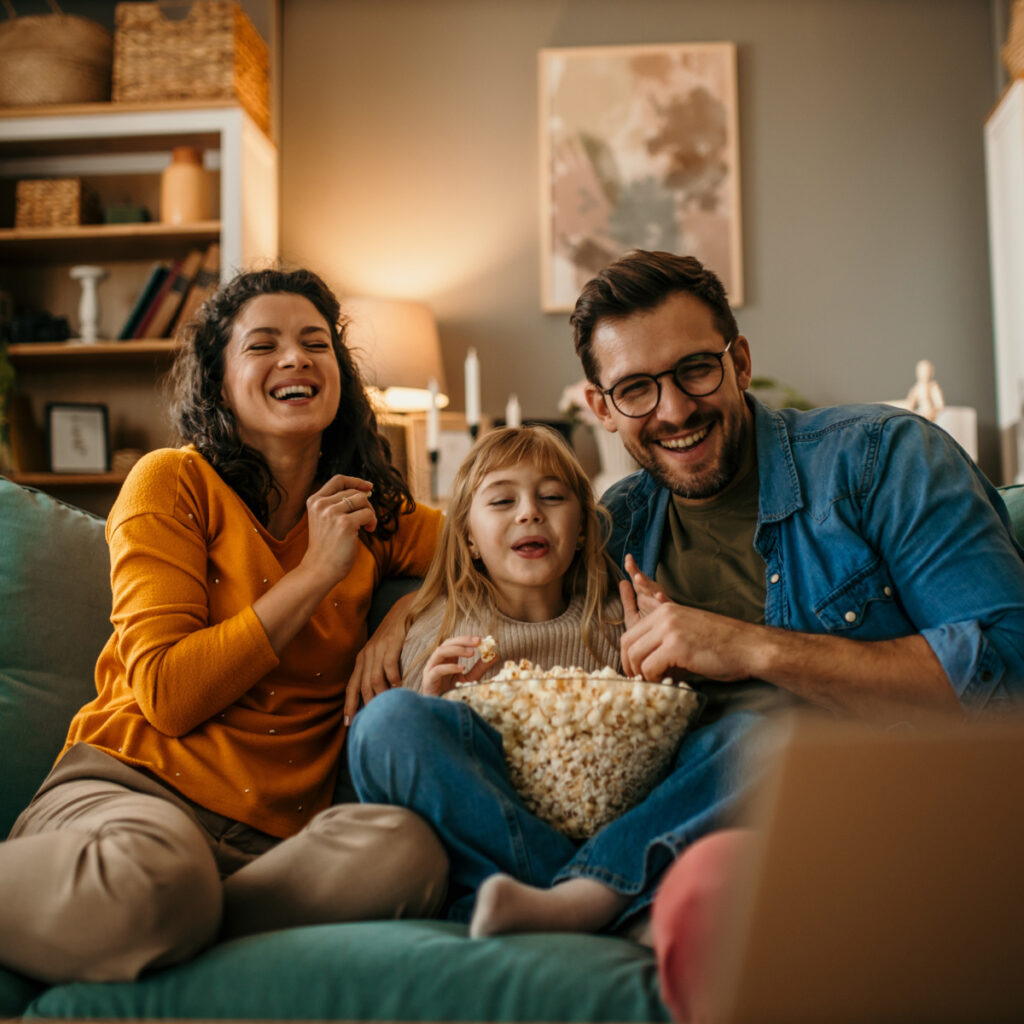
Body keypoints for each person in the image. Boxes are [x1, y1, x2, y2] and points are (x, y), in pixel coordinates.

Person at [569, 248, 1024, 1013]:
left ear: (739, 361)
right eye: (636, 390)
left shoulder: (882, 459)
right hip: (694, 831)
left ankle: (594, 894)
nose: (675, 411)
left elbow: (1007, 671)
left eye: (695, 371)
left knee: (715, 881)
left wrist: (748, 647)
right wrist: (401, 626)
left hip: (888, 821)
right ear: (601, 407)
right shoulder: (616, 531)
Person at [0, 268, 448, 985]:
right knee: (160, 874)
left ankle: (176, 923)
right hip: (127, 801)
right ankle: (161, 908)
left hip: (268, 848)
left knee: (407, 851)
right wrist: (315, 574)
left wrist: (409, 610)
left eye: (315, 343)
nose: (296, 358)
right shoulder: (171, 482)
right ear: (218, 382)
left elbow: (502, 549)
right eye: (263, 345)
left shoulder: (368, 510)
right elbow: (169, 694)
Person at [349, 425, 700, 937]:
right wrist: (435, 705)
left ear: (582, 528)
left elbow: (652, 753)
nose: (530, 511)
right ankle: (581, 896)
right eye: (501, 500)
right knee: (386, 720)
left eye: (552, 496)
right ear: (468, 535)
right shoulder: (436, 625)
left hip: (604, 829)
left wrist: (660, 677)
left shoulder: (614, 622)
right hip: (487, 833)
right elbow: (409, 766)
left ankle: (577, 890)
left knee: (747, 735)